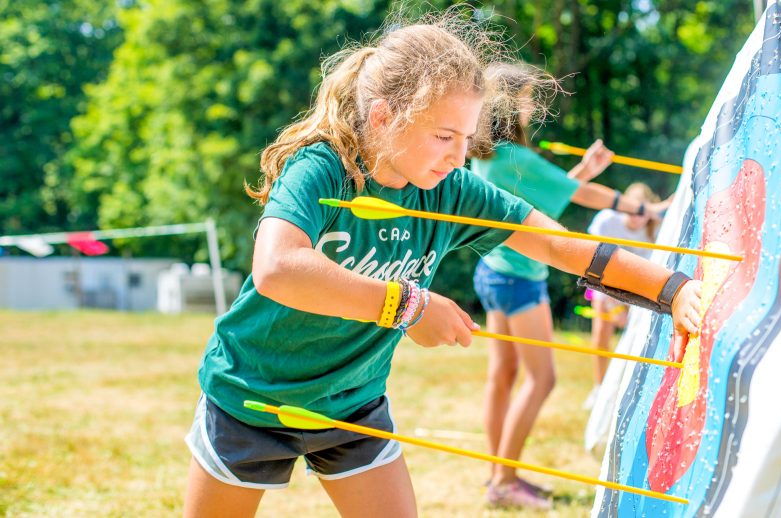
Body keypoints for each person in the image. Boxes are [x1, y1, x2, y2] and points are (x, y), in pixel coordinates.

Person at [182, 14, 701, 518]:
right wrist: (408, 305)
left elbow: (563, 248)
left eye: (467, 139)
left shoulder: (453, 191)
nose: (459, 156)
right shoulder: (323, 167)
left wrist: (673, 289)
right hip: (250, 397)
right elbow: (277, 267)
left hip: (351, 403)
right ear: (384, 116)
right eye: (443, 136)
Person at [467, 63, 671, 509]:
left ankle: (498, 477)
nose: (532, 108)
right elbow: (579, 196)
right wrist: (644, 209)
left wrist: (583, 170)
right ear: (509, 104)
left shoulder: (489, 156)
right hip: (520, 279)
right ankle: (505, 482)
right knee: (542, 379)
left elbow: (546, 193)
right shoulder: (514, 157)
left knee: (502, 376)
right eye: (526, 99)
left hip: (492, 273)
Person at [583, 182, 672, 409]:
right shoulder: (606, 221)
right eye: (632, 210)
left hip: (637, 285)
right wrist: (613, 306)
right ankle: (599, 388)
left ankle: (632, 389)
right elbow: (590, 259)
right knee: (602, 332)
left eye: (641, 212)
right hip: (602, 281)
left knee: (638, 334)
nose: (636, 217)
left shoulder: (659, 229)